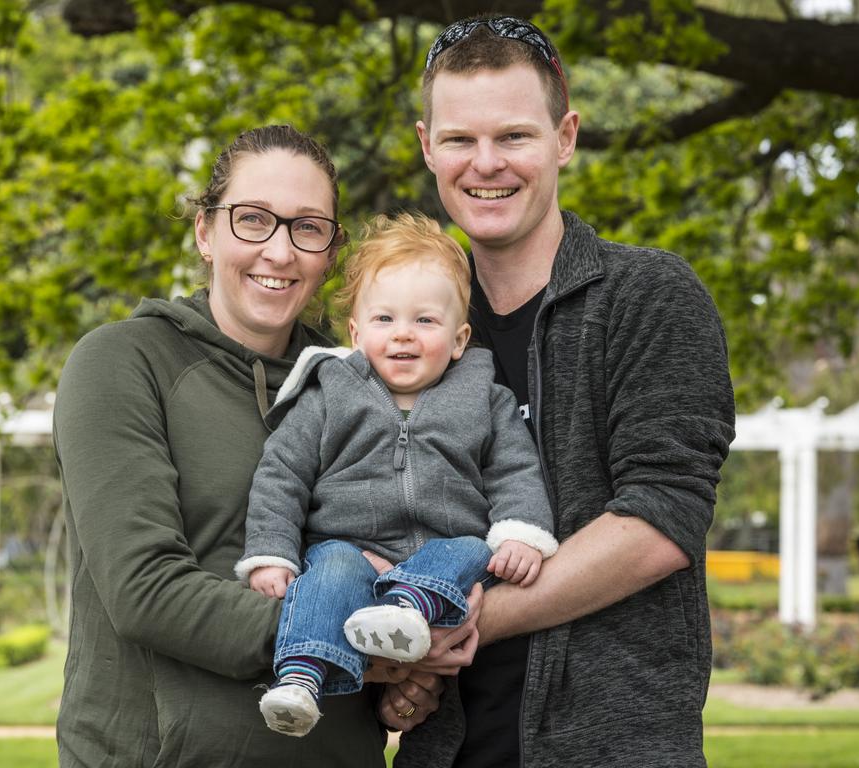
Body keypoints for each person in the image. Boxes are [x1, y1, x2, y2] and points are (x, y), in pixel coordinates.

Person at [391, 16, 737, 768]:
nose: (486, 164)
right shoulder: (409, 329)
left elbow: (661, 521)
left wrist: (459, 621)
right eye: (459, 140)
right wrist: (392, 668)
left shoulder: (648, 296)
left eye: (513, 135)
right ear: (427, 147)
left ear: (565, 137)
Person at [52, 125, 440, 767]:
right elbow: (143, 589)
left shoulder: (361, 384)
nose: (280, 252)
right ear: (206, 232)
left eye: (308, 228)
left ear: (329, 251)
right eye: (253, 220)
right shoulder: (124, 362)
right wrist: (349, 647)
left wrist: (410, 677)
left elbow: (391, 549)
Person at [234, 212, 557, 738]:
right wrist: (271, 551)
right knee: (329, 574)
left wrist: (521, 532)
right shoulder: (328, 395)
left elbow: (516, 470)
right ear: (358, 333)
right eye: (385, 320)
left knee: (475, 549)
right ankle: (299, 678)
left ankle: (408, 607)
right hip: (349, 544)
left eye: (425, 321)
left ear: (459, 338)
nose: (403, 334)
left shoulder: (485, 398)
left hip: (444, 552)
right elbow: (281, 473)